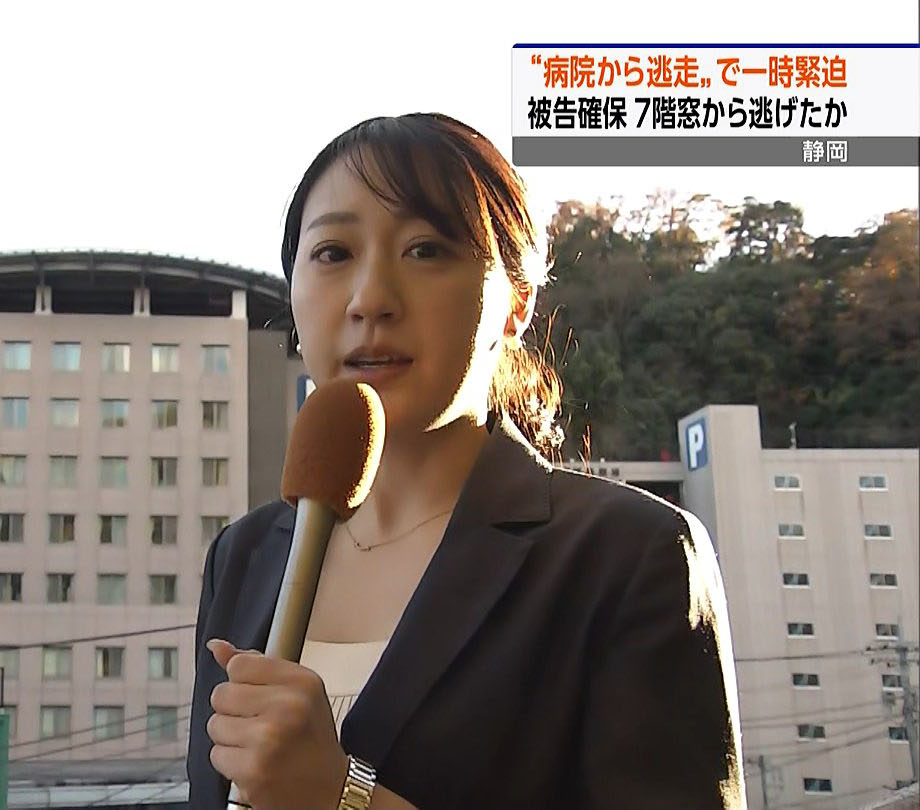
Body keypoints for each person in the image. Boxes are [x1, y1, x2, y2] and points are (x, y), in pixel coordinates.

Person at [186, 113, 746, 809]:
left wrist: (344, 796)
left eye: (425, 250)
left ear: (516, 301)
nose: (369, 299)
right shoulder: (244, 555)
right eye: (332, 253)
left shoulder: (629, 554)